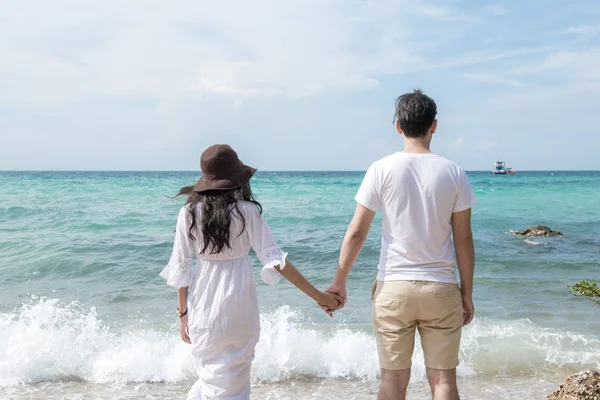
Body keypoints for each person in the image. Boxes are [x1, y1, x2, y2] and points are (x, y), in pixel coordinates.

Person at [325, 90, 476, 400]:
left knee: (393, 382)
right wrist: (467, 293)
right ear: (434, 125)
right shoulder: (454, 172)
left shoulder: (381, 168)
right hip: (441, 287)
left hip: (393, 289)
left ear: (398, 126)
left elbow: (356, 232)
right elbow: (463, 241)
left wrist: (339, 282)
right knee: (443, 381)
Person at [160, 144, 341, 400]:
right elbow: (277, 261)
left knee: (210, 379)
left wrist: (183, 314)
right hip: (240, 305)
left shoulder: (188, 213)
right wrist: (319, 297)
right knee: (234, 383)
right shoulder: (248, 212)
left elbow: (181, 267)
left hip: (202, 306)